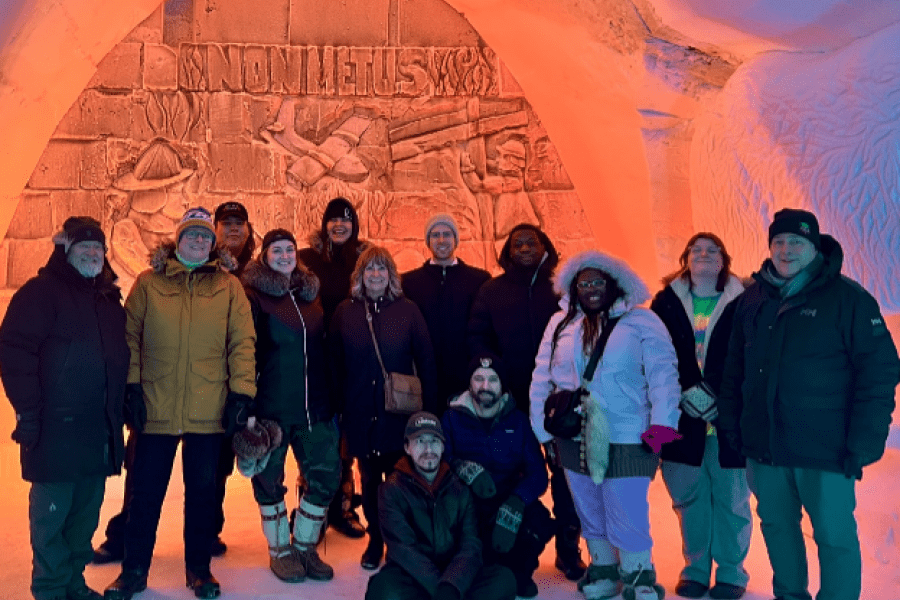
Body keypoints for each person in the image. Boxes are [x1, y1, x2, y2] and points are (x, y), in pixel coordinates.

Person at [718, 208, 900, 600]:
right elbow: (733, 370)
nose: (786, 250)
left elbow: (880, 372)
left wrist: (865, 440)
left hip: (826, 448)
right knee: (777, 527)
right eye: (779, 241)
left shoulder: (849, 299)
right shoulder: (752, 299)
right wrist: (733, 426)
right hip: (766, 447)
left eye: (797, 242)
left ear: (814, 247)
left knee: (834, 535)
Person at [103, 207, 256, 600]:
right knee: (144, 495)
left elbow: (242, 342)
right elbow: (129, 337)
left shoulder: (228, 287)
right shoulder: (149, 283)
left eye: (205, 236)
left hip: (208, 406)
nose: (199, 241)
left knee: (203, 495)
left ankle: (199, 570)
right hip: (155, 406)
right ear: (178, 239)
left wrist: (241, 393)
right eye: (192, 234)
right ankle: (133, 571)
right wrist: (131, 388)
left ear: (212, 244)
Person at [530, 250, 682, 600]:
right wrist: (543, 429)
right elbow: (542, 375)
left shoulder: (641, 321)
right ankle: (604, 569)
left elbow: (663, 374)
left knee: (626, 508)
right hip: (574, 433)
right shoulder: (560, 323)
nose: (591, 289)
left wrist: (663, 423)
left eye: (598, 282)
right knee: (589, 507)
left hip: (628, 433)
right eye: (583, 284)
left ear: (614, 283)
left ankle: (639, 576)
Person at [0, 217, 129, 600]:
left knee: (84, 519)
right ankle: (52, 590)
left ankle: (74, 585)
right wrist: (28, 412)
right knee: (51, 521)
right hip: (55, 430)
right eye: (83, 245)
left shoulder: (109, 301)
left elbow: (118, 360)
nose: (92, 253)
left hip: (97, 431)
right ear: (65, 250)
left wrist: (125, 406)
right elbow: (15, 353)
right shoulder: (40, 293)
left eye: (98, 247)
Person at [468, 222, 587, 580]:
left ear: (544, 247)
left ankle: (568, 547)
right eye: (516, 244)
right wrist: (496, 376)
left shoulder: (562, 288)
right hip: (510, 401)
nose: (523, 249)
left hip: (559, 402)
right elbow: (478, 338)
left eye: (530, 243)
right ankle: (513, 545)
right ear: (507, 251)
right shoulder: (491, 291)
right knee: (512, 472)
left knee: (565, 475)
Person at [650, 233, 751, 600]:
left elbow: (749, 355)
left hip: (730, 422)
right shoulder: (665, 303)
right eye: (697, 249)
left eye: (712, 250)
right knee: (688, 500)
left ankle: (731, 573)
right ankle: (695, 570)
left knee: (732, 502)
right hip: (680, 420)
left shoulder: (745, 300)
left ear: (723, 260)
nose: (704, 254)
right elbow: (656, 354)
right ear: (686, 258)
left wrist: (719, 396)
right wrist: (685, 391)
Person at [241, 229, 341, 583]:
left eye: (289, 250)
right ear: (264, 256)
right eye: (277, 250)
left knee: (326, 474)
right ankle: (280, 550)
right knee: (269, 481)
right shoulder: (254, 297)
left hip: (314, 408)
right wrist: (247, 405)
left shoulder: (309, 296)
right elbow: (245, 352)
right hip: (272, 410)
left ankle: (304, 546)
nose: (285, 256)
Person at [329, 245, 437, 570]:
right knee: (370, 481)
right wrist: (338, 408)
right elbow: (334, 364)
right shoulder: (345, 312)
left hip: (398, 415)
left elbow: (426, 361)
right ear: (360, 275)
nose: (375, 275)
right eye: (369, 269)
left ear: (391, 275)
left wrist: (428, 412)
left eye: (381, 269)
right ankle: (376, 540)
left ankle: (401, 544)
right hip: (361, 412)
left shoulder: (408, 311)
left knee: (401, 482)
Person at [365, 412, 517, 600]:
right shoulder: (392, 489)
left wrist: (450, 586)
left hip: (453, 572)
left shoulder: (460, 486)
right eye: (420, 441)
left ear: (443, 446)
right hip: (413, 575)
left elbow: (470, 544)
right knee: (382, 589)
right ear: (407, 447)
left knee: (504, 580)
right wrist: (442, 592)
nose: (428, 449)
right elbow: (403, 549)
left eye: (434, 441)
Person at [441, 354, 553, 598]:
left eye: (492, 380)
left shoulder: (519, 421)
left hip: (506, 497)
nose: (485, 386)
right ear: (469, 384)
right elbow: (440, 461)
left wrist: (517, 500)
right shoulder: (451, 418)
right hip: (466, 500)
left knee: (538, 521)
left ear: (502, 385)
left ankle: (519, 573)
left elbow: (538, 473)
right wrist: (463, 469)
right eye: (478, 378)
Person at [298, 196, 369, 539]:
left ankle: (344, 505)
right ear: (324, 225)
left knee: (346, 435)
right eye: (333, 220)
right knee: (315, 435)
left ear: (354, 225)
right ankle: (312, 505)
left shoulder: (365, 260)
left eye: (346, 219)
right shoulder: (307, 259)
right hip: (314, 357)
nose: (339, 225)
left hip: (353, 357)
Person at [402, 214, 491, 411]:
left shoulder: (479, 280)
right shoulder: (409, 282)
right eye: (435, 235)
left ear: (456, 239)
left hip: (466, 376)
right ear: (428, 241)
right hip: (424, 376)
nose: (441, 240)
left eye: (447, 234)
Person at [209, 200, 256, 556]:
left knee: (225, 463)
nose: (234, 228)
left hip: (245, 382)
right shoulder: (205, 267)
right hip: (207, 383)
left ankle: (210, 528)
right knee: (209, 464)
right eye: (227, 223)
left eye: (240, 222)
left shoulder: (258, 271)